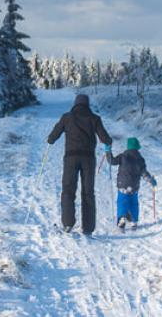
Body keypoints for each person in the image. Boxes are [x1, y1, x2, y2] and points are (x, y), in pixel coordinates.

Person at [46, 93, 112, 234]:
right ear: (87, 104)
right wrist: (108, 142)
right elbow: (105, 138)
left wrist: (50, 140)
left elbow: (54, 135)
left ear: (75, 104)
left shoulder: (67, 117)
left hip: (71, 158)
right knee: (88, 192)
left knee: (68, 189)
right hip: (88, 159)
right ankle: (88, 227)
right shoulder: (95, 118)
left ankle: (68, 223)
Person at [107, 137, 157, 230]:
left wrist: (108, 151)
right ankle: (134, 221)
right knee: (134, 203)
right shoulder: (140, 159)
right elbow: (144, 173)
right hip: (134, 186)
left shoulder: (123, 156)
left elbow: (112, 161)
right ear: (137, 147)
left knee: (122, 202)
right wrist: (151, 180)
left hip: (122, 185)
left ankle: (122, 218)